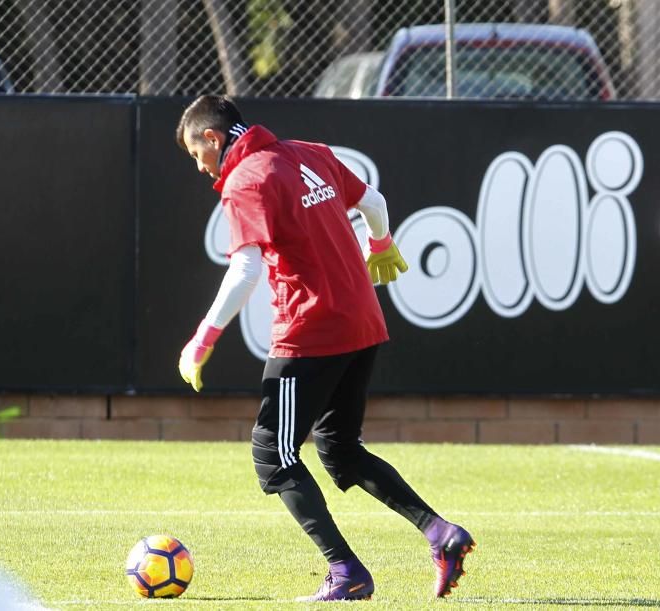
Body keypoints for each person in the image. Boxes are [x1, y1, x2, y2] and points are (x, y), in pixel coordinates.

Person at [174, 95, 474, 600]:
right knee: (340, 452)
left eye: (197, 154)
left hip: (311, 331)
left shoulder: (246, 179)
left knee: (272, 453)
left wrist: (202, 339)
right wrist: (380, 245)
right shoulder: (309, 152)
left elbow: (246, 268)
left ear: (213, 137)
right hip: (362, 321)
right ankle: (441, 534)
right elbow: (374, 203)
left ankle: (346, 573)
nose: (201, 168)